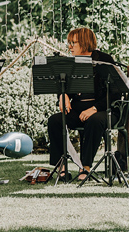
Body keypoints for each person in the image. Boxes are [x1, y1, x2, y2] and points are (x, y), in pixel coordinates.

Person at [45, 27, 115, 183]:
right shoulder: (71, 62)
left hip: (103, 109)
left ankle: (86, 167)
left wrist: (94, 109)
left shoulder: (104, 60)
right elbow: (64, 84)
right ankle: (61, 167)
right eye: (69, 43)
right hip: (78, 110)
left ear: (84, 42)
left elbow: (114, 93)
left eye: (73, 43)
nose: (70, 46)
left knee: (94, 120)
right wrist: (62, 95)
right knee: (55, 120)